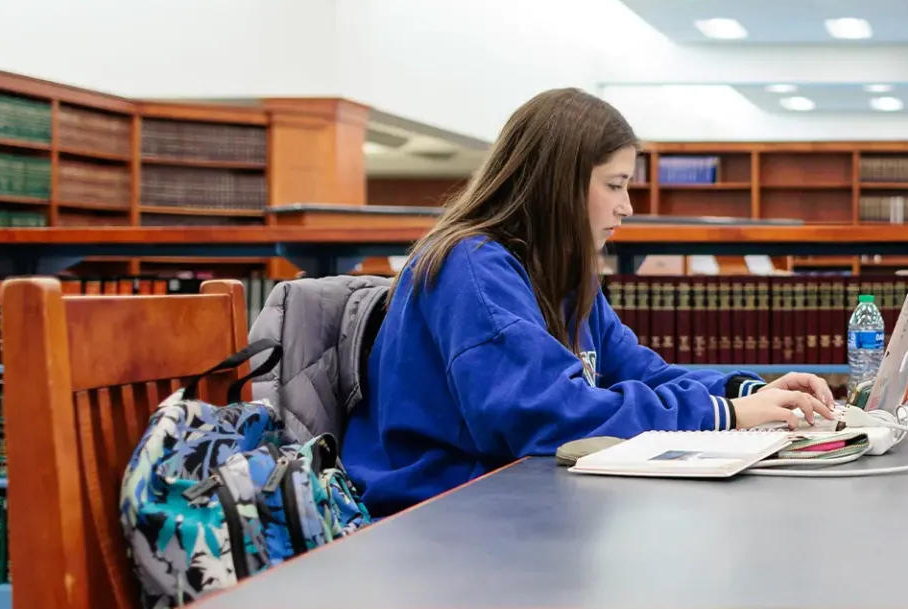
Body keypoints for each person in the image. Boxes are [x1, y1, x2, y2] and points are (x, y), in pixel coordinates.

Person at [341, 88, 838, 517]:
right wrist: (724, 415)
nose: (627, 207)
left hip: (513, 492)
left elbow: (640, 371)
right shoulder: (471, 267)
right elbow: (547, 417)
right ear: (559, 183)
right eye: (615, 185)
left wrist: (750, 392)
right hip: (438, 511)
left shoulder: (563, 272)